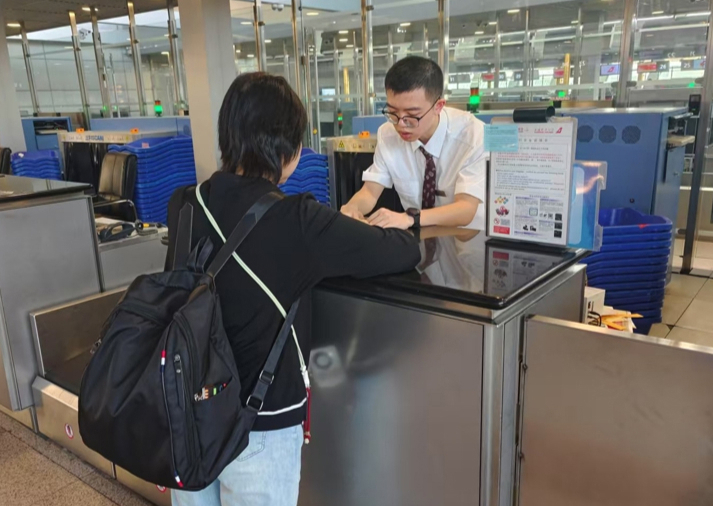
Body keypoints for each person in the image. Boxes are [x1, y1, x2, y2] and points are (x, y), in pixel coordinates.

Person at [171, 73, 420, 506]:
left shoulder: (185, 203)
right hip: (260, 422)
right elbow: (399, 253)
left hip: (188, 413)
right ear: (289, 151)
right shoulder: (299, 221)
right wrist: (405, 222)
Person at [340, 56, 487, 231]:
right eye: (393, 112)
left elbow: (466, 209)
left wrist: (410, 217)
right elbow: (370, 191)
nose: (401, 124)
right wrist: (352, 208)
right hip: (420, 240)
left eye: (412, 114)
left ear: (438, 106)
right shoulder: (387, 134)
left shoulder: (473, 134)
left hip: (467, 241)